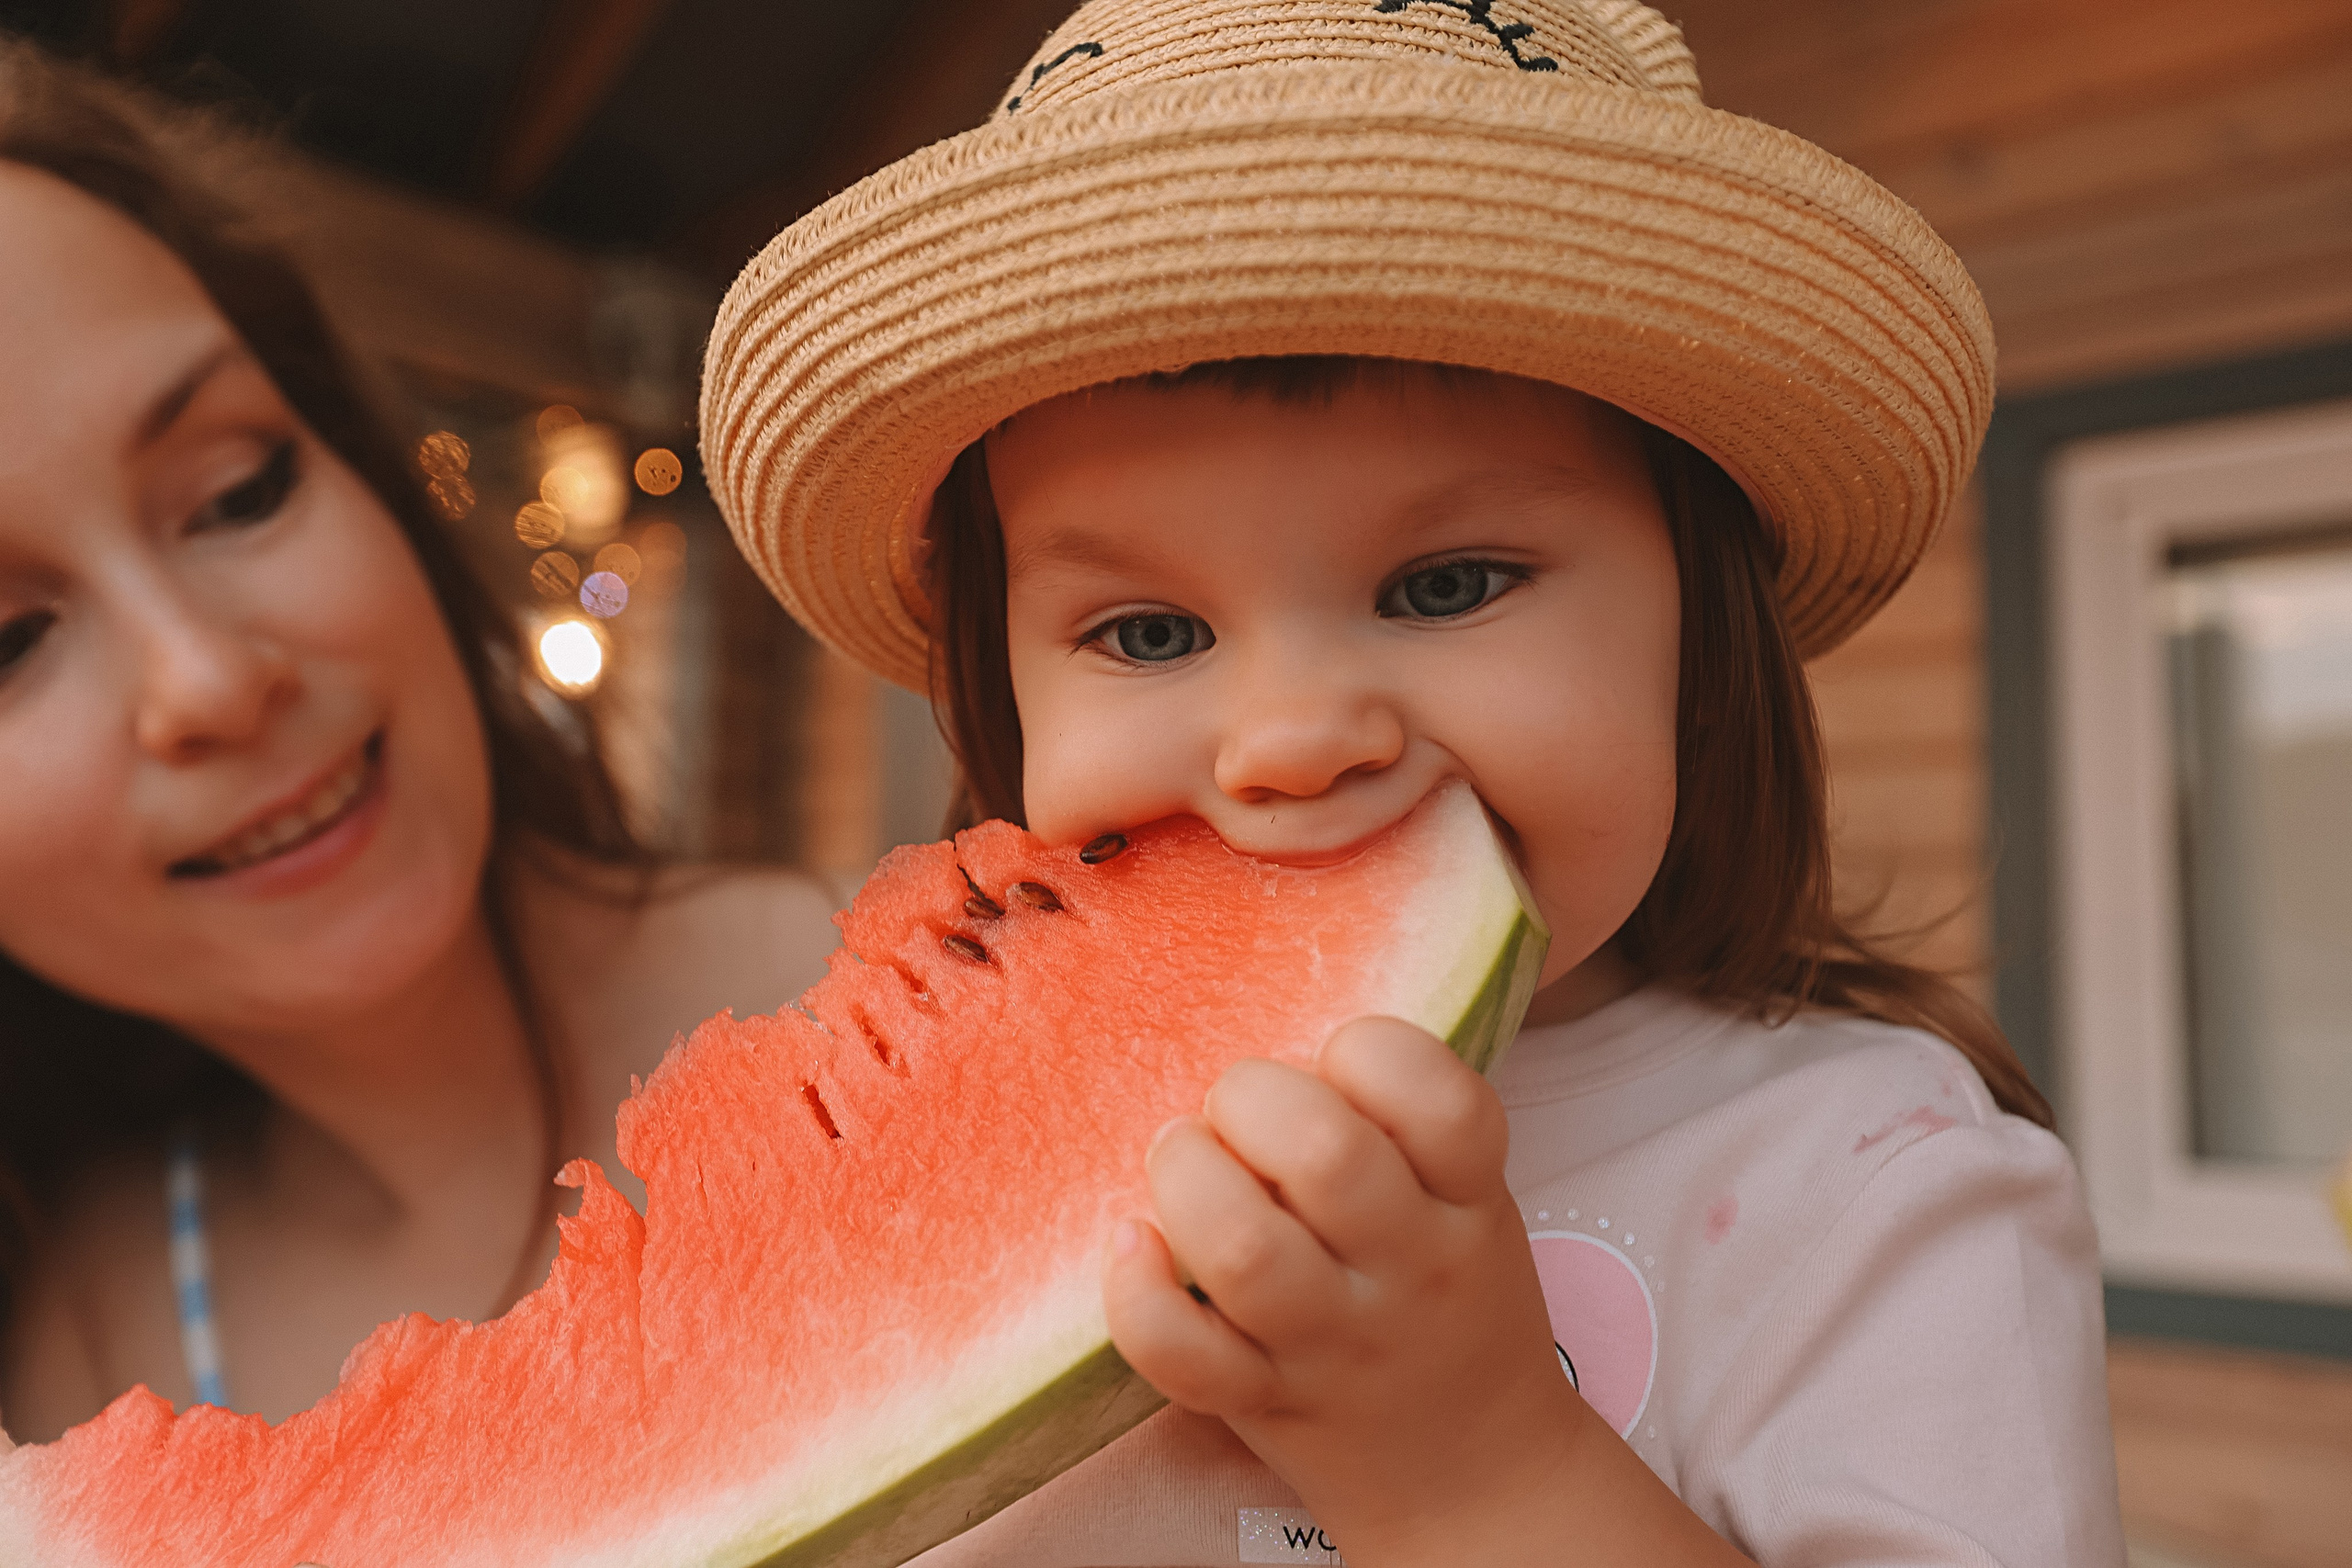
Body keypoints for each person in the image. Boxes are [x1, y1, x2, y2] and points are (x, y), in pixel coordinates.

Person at [697, 1, 2127, 1563]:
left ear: (1699, 645)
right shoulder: (941, 1172)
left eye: (1446, 587)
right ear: (1001, 696)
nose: (1295, 738)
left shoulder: (1876, 1192)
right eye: (1152, 629)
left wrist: (1476, 1466)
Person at [0, 45, 842, 1445]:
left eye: (240, 489)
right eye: (7, 645)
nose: (210, 678)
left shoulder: (888, 991)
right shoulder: (77, 1371)